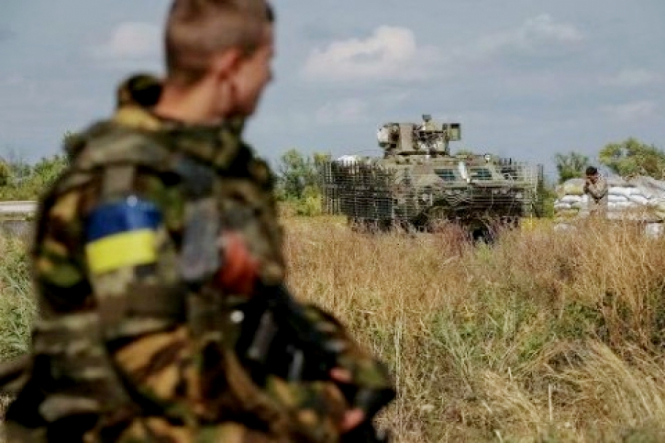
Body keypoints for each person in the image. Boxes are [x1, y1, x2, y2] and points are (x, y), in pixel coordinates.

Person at [3, 1, 393, 441]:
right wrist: (306, 413)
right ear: (230, 67)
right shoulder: (125, 187)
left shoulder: (218, 171)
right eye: (266, 61)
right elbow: (147, 358)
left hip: (199, 403)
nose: (270, 77)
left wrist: (348, 361)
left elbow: (262, 303)